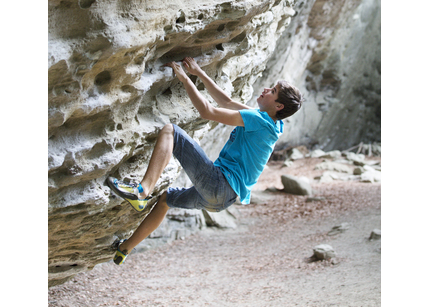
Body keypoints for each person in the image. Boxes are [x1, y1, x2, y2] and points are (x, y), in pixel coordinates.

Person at [106, 56, 303, 265]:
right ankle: (124, 249)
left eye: (272, 91)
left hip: (219, 183)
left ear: (279, 106)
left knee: (171, 131)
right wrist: (199, 73)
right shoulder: (272, 124)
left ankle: (142, 192)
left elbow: (207, 111)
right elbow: (226, 102)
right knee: (165, 200)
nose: (265, 90)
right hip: (222, 200)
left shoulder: (259, 120)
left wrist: (185, 79)